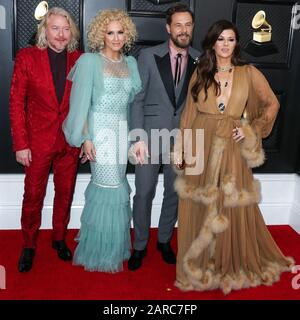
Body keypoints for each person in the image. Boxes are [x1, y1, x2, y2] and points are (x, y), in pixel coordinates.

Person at [174, 20, 294, 294]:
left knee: (229, 201)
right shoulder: (201, 71)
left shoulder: (249, 72)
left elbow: (272, 104)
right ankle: (201, 260)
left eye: (230, 39)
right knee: (200, 202)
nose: (225, 44)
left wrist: (251, 129)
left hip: (231, 143)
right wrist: (182, 150)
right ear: (212, 43)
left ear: (236, 43)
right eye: (220, 39)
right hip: (201, 141)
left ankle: (226, 261)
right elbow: (188, 115)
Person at [63, 9, 141, 272]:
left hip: (121, 133)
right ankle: (100, 250)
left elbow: (132, 106)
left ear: (127, 34)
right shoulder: (89, 62)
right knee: (107, 187)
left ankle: (114, 246)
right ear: (101, 35)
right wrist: (86, 138)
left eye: (120, 32)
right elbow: (81, 104)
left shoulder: (130, 64)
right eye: (110, 32)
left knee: (119, 186)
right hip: (99, 132)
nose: (116, 37)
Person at [128, 3, 200, 271]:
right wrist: (137, 139)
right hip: (149, 137)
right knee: (144, 192)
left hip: (182, 141)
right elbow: (137, 100)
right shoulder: (147, 56)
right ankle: (140, 244)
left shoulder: (199, 58)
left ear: (193, 28)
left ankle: (165, 240)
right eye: (178, 25)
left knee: (174, 192)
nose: (183, 30)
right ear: (169, 28)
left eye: (188, 25)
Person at [9, 7, 81, 273]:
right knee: (33, 196)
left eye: (66, 29)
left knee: (65, 193)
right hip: (37, 142)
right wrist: (21, 144)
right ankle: (28, 245)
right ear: (45, 30)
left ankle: (59, 239)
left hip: (69, 143)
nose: (61, 35)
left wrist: (83, 138)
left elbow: (86, 104)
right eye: (55, 28)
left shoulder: (80, 59)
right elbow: (16, 102)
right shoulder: (27, 57)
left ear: (71, 31)